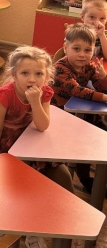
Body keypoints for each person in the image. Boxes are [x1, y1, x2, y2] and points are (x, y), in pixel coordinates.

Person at [0, 46, 74, 248]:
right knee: (29, 187)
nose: (32, 79)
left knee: (63, 176)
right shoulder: (3, 96)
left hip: (33, 146)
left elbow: (42, 126)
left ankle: (62, 226)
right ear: (14, 74)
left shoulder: (44, 93)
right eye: (25, 73)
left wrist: (35, 101)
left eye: (39, 74)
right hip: (8, 149)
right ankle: (28, 229)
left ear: (47, 76)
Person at [51, 23, 107, 194]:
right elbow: (77, 90)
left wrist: (103, 78)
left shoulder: (88, 65)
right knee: (83, 143)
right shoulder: (60, 68)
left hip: (80, 113)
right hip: (59, 116)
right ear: (65, 48)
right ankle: (85, 179)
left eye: (87, 50)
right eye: (76, 49)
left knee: (101, 132)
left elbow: (99, 87)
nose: (82, 55)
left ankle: (100, 170)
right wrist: (104, 97)